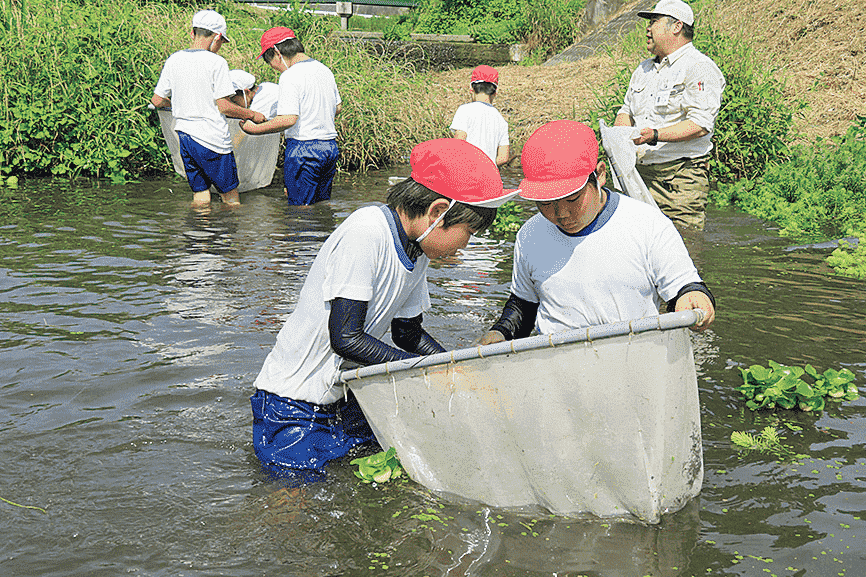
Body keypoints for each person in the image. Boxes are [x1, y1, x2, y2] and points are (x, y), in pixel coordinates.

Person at [251, 138, 517, 474]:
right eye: (469, 232)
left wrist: (453, 369)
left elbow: (408, 333)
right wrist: (427, 373)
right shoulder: (367, 232)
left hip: (344, 396)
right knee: (297, 503)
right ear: (437, 212)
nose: (465, 246)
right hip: (292, 402)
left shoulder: (418, 250)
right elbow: (346, 337)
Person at [480, 120, 715, 347]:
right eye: (545, 203)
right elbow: (524, 305)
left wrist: (693, 298)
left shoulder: (647, 225)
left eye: (572, 198)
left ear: (600, 175)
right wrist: (501, 332)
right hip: (556, 367)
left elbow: (684, 287)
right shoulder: (530, 235)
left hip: (633, 358)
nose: (560, 213)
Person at [613, 0, 725, 230]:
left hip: (679, 180)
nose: (647, 28)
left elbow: (700, 125)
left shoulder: (699, 67)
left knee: (685, 246)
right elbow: (626, 110)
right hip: (638, 176)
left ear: (676, 27)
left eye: (654, 22)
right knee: (637, 248)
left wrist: (653, 135)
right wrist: (620, 135)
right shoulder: (643, 69)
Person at [150, 10, 266, 207]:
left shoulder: (174, 60)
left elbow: (157, 100)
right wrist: (252, 114)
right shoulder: (216, 62)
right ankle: (230, 236)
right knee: (231, 199)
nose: (220, 47)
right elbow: (224, 106)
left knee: (201, 196)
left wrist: (178, 105)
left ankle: (198, 236)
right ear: (217, 36)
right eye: (221, 42)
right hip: (213, 140)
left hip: (185, 138)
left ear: (193, 32)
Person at [240, 27, 341, 206]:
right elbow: (337, 107)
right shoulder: (324, 70)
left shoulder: (290, 75)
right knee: (321, 206)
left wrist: (254, 130)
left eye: (268, 60)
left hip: (304, 149)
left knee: (300, 211)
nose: (272, 67)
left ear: (277, 52)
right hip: (329, 148)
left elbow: (288, 119)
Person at [449, 65, 510, 166]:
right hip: (489, 175)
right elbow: (503, 157)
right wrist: (488, 166)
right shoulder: (501, 120)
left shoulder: (464, 110)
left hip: (467, 171)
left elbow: (459, 144)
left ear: (471, 89)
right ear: (495, 93)